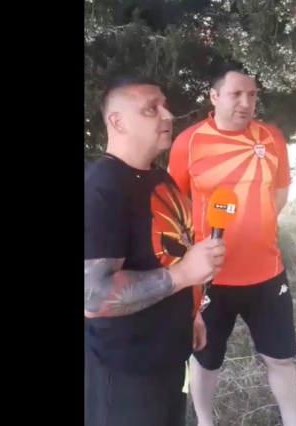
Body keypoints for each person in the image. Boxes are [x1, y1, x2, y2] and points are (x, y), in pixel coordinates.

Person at [84, 75, 226, 426]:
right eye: (151, 108)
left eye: (165, 105)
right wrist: (183, 275)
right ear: (117, 121)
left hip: (169, 354)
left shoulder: (160, 178)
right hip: (126, 371)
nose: (168, 115)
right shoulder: (101, 188)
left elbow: (172, 254)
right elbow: (92, 296)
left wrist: (191, 315)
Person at [168, 62, 296, 426]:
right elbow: (175, 206)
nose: (246, 102)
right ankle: (205, 421)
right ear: (214, 96)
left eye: (252, 95)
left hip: (267, 273)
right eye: (236, 94)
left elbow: (279, 194)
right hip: (209, 278)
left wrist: (253, 228)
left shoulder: (271, 137)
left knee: (280, 358)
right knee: (205, 359)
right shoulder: (188, 142)